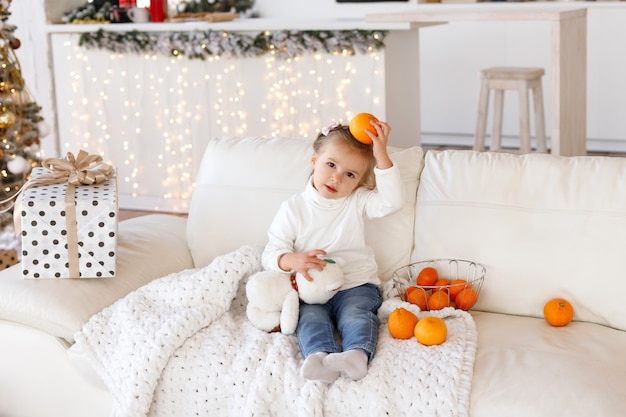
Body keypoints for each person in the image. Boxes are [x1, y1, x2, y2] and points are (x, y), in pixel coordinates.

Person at [261, 119, 404, 383]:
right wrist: (292, 259)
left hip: (356, 285)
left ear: (359, 183)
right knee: (310, 318)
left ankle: (357, 355)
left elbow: (393, 201)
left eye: (350, 174)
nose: (336, 177)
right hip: (312, 289)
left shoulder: (357, 201)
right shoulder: (293, 208)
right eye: (331, 165)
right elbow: (272, 251)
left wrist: (381, 154)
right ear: (314, 160)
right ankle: (318, 356)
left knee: (355, 314)